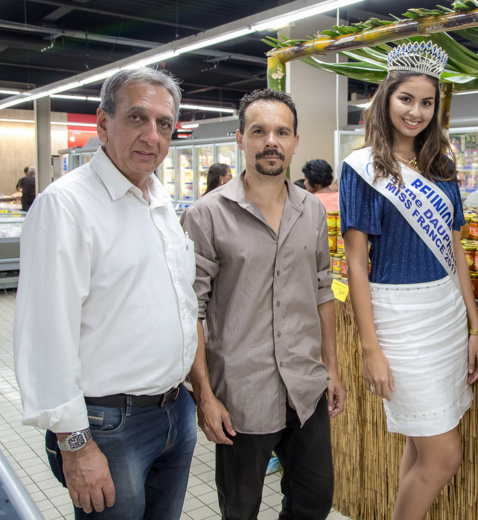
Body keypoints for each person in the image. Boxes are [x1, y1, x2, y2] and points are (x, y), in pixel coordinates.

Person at [14, 68, 199, 520]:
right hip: (110, 428)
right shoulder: (67, 206)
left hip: (175, 412)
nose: (151, 135)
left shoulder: (159, 201)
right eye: (137, 118)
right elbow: (45, 336)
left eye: (163, 124)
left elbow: (179, 303)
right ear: (102, 124)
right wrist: (75, 446)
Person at [180, 88, 346, 520]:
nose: (271, 141)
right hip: (241, 394)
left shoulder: (311, 210)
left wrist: (332, 367)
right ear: (241, 138)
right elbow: (191, 311)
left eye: (282, 132)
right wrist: (204, 394)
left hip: (306, 388)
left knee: (313, 501)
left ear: (294, 141)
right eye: (259, 131)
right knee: (240, 509)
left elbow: (323, 291)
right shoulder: (207, 215)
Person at [339, 41, 478, 520]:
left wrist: (474, 326)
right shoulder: (361, 168)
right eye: (407, 99)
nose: (416, 112)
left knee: (422, 448)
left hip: (444, 315)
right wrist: (370, 347)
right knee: (444, 456)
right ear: (386, 99)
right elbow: (355, 263)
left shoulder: (443, 168)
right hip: (399, 320)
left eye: (427, 103)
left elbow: (456, 249)